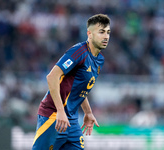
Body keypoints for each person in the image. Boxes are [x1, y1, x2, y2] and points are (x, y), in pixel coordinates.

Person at [32, 14, 111, 150]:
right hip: (53, 116)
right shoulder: (78, 51)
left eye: (108, 32)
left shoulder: (99, 60)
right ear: (89, 34)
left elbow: (79, 88)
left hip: (71, 120)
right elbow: (52, 77)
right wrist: (60, 111)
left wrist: (88, 112)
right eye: (101, 32)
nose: (106, 36)